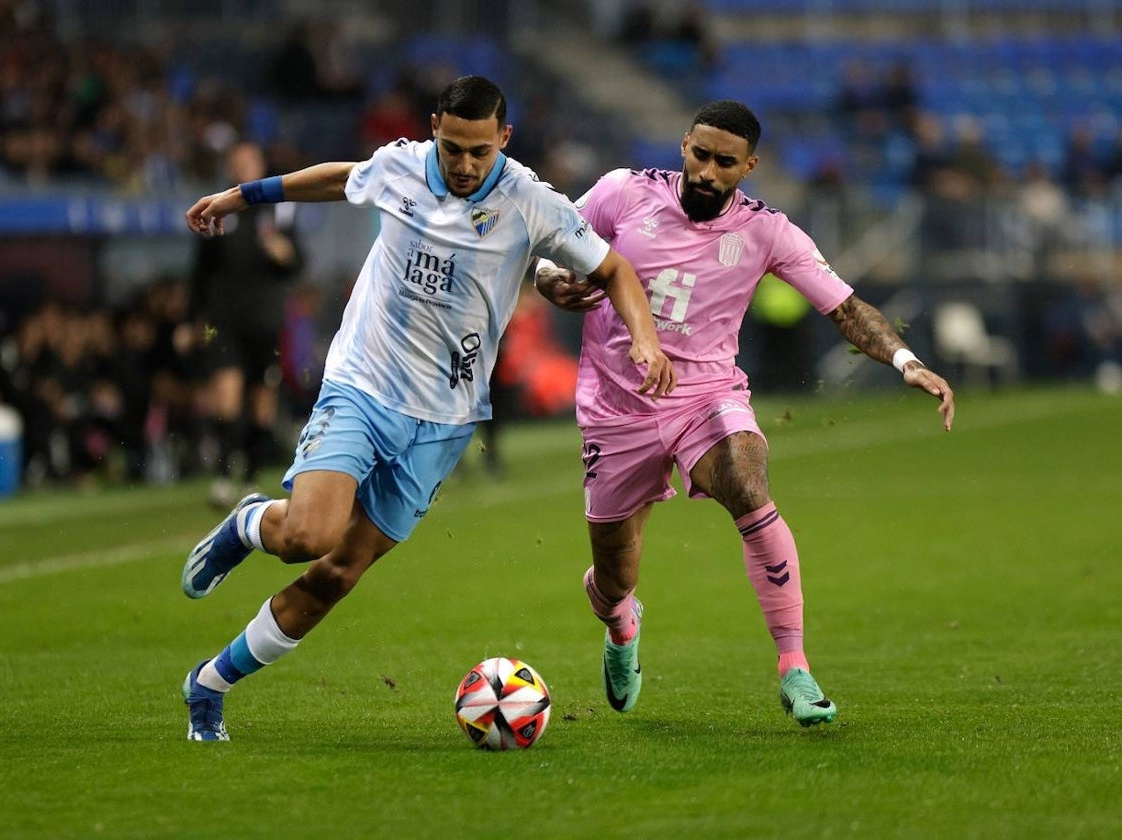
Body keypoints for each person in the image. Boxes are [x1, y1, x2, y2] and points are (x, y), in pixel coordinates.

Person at [178, 75, 675, 741]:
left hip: (443, 422)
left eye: (480, 151)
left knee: (338, 574)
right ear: (435, 127)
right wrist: (243, 196)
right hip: (362, 384)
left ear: (503, 138)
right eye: (452, 149)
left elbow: (613, 268)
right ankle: (248, 525)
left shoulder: (530, 201)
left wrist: (644, 338)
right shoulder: (401, 166)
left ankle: (209, 684)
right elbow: (339, 179)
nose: (465, 165)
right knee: (308, 537)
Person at [534, 99, 955, 727]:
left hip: (708, 394)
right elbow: (550, 249)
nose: (708, 171)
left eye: (724, 162)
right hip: (615, 406)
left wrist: (904, 360)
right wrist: (550, 280)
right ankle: (622, 623)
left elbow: (842, 307)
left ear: (748, 166)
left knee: (747, 477)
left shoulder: (767, 230)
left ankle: (796, 667)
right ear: (684, 146)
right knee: (615, 575)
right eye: (700, 155)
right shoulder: (622, 193)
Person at [189, 140, 304, 508]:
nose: (242, 167)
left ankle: (250, 475)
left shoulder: (278, 210)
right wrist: (192, 319)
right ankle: (223, 476)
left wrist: (281, 252)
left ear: (260, 164)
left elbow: (298, 262)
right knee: (226, 396)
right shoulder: (219, 208)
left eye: (248, 160)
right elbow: (200, 273)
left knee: (261, 403)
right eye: (235, 162)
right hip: (225, 321)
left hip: (267, 321)